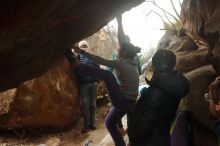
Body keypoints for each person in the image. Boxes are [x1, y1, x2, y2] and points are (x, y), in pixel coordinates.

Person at [73, 40, 140, 146]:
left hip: (123, 101)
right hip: (129, 102)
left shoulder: (122, 63)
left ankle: (78, 66)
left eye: (119, 50)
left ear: (123, 53)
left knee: (108, 75)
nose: (118, 51)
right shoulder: (133, 63)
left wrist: (82, 52)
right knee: (109, 123)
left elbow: (100, 60)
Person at [128, 49, 190, 146]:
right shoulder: (174, 86)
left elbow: (142, 128)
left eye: (153, 64)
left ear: (157, 67)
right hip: (163, 138)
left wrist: (132, 136)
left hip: (148, 142)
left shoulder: (153, 94)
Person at [77, 41, 100, 133]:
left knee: (93, 105)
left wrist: (97, 80)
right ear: (79, 48)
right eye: (81, 46)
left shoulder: (92, 57)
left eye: (85, 46)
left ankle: (92, 124)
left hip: (94, 84)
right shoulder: (77, 57)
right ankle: (86, 125)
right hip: (83, 85)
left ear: (87, 47)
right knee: (85, 105)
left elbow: (98, 68)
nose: (83, 47)